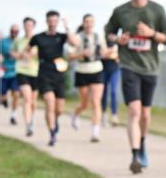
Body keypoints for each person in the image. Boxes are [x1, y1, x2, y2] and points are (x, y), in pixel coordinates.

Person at [104, 0, 166, 174]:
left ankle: (142, 144)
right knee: (134, 111)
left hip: (150, 67)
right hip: (128, 65)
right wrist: (118, 40)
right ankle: (134, 155)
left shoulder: (157, 10)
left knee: (145, 113)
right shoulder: (120, 11)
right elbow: (108, 32)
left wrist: (151, 34)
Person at [30, 10, 80, 147]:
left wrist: (67, 27)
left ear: (57, 22)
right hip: (44, 73)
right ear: (46, 21)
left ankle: (55, 121)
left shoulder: (62, 36)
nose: (52, 24)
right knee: (49, 103)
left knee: (59, 109)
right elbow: (28, 49)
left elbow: (75, 43)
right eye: (50, 21)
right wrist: (28, 57)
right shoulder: (38, 37)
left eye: (55, 21)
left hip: (58, 74)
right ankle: (52, 133)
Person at [70, 14, 108, 143]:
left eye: (91, 21)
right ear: (83, 23)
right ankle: (76, 113)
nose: (89, 24)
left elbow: (104, 51)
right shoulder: (77, 38)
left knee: (96, 102)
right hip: (82, 70)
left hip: (96, 70)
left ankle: (95, 132)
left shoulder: (99, 37)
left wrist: (106, 53)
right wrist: (81, 54)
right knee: (84, 103)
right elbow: (70, 55)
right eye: (86, 21)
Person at [13, 17, 39, 137]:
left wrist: (35, 54)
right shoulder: (19, 41)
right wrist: (20, 54)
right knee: (27, 99)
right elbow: (13, 53)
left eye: (30, 25)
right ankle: (28, 125)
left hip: (35, 72)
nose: (28, 27)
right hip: (22, 71)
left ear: (33, 26)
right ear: (23, 26)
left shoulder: (38, 40)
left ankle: (31, 120)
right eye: (26, 25)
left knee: (33, 102)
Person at [0, 24, 20, 125]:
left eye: (16, 31)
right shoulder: (3, 42)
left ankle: (13, 115)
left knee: (16, 94)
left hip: (16, 72)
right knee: (3, 96)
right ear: (10, 31)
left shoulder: (20, 42)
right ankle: (4, 100)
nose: (14, 33)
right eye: (13, 31)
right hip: (4, 72)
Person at [101, 42, 121, 128]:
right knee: (104, 93)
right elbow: (101, 55)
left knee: (113, 92)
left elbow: (119, 57)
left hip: (115, 70)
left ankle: (114, 115)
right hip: (103, 70)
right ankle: (104, 114)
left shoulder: (119, 43)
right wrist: (110, 52)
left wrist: (109, 54)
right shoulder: (102, 42)